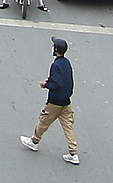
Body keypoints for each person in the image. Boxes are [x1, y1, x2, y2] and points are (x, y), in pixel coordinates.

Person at [20, 37, 78, 165]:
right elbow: (66, 81)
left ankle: (34, 141)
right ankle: (73, 153)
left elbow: (57, 84)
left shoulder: (55, 65)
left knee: (44, 121)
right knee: (68, 126)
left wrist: (46, 84)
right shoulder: (66, 63)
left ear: (56, 50)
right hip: (66, 102)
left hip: (55, 102)